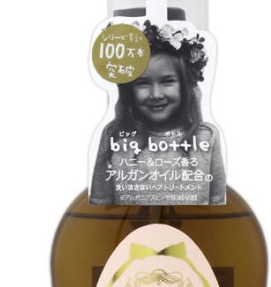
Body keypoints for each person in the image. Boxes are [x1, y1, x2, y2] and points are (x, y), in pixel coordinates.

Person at [89, 20, 226, 205]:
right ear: (129, 89)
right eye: (143, 83)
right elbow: (100, 204)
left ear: (185, 85)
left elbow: (217, 205)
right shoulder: (115, 135)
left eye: (167, 81)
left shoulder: (206, 137)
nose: (156, 94)